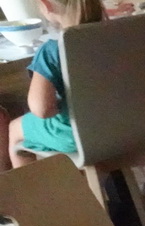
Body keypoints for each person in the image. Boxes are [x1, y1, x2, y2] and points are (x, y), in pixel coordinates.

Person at [6, 0, 103, 169]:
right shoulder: (123, 36)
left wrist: (59, 106)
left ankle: (33, 194)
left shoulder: (53, 50)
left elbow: (42, 110)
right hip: (133, 123)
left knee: (15, 129)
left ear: (46, 5)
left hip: (80, 134)